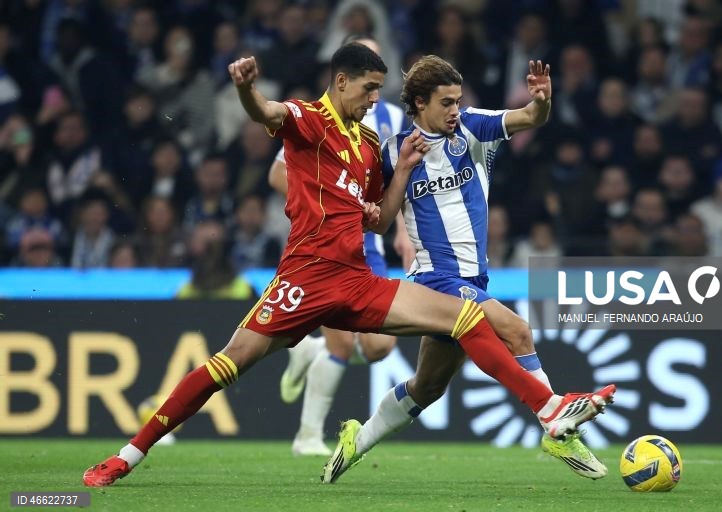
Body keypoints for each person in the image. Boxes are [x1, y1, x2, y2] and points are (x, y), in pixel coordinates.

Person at [82, 43, 615, 487]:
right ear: (341, 82)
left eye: (380, 90)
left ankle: (547, 412)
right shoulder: (306, 121)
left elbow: (379, 221)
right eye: (368, 89)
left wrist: (400, 172)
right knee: (226, 365)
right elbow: (265, 113)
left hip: (356, 280)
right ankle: (127, 455)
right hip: (301, 280)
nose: (374, 100)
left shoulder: (367, 147)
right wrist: (246, 87)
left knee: (466, 321)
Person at [322, 56, 609, 484]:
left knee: (427, 388)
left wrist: (542, 101)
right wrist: (391, 182)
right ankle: (556, 424)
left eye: (458, 100)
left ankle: (355, 441)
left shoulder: (474, 127)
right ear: (419, 103)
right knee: (517, 331)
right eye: (446, 102)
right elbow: (380, 222)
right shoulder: (391, 150)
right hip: (434, 280)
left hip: (474, 279)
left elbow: (531, 116)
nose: (455, 109)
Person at [269, 36, 415, 457]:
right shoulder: (316, 119)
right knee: (340, 343)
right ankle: (308, 436)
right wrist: (321, 199)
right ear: (343, 75)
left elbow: (389, 186)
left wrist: (401, 230)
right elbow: (278, 175)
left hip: (369, 240)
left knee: (378, 346)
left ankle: (307, 349)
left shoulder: (387, 118)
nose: (372, 91)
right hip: (324, 239)